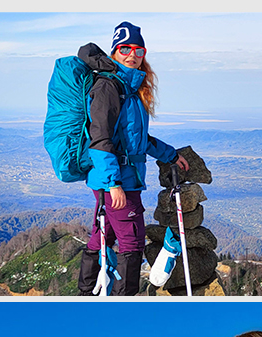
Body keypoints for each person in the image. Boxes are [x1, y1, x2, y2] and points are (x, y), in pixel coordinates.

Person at [76, 22, 188, 296]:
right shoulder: (108, 87)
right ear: (114, 51)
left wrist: (170, 154)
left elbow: (137, 140)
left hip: (118, 178)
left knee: (104, 236)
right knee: (132, 243)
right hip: (117, 181)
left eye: (138, 49)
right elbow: (100, 139)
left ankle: (85, 292)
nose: (132, 54)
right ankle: (125, 301)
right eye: (125, 48)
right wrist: (113, 183)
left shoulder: (129, 87)